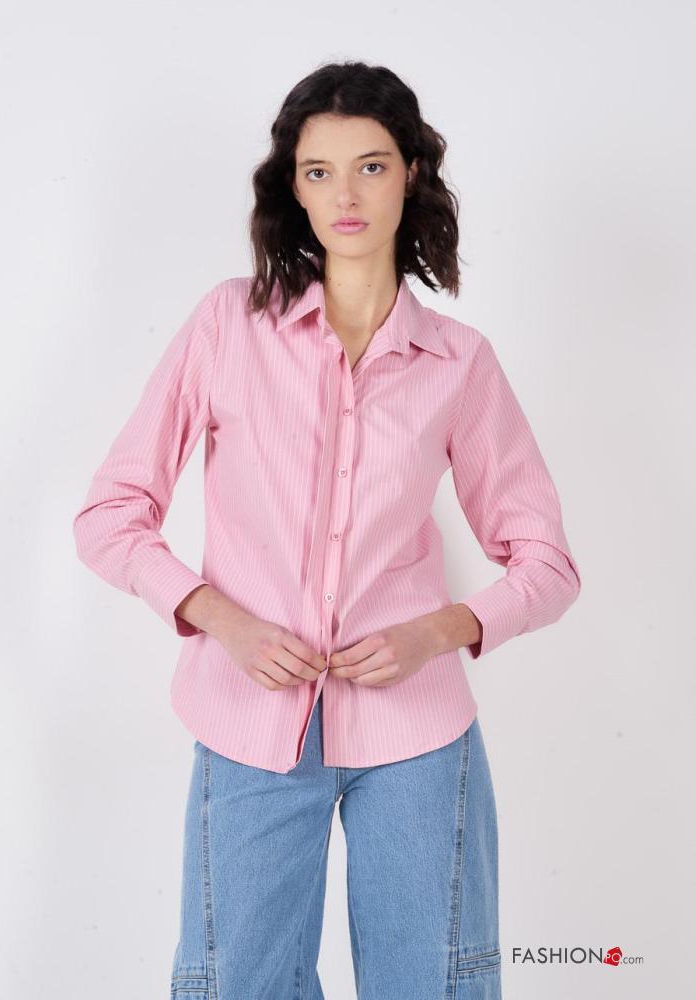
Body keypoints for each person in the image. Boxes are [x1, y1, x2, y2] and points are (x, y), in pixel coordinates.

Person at [72, 60, 581, 1000]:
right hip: (249, 725)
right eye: (319, 171)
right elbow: (111, 513)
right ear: (293, 187)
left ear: (411, 175)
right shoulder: (228, 326)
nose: (345, 195)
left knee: (433, 986)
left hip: (418, 735)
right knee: (239, 985)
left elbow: (546, 562)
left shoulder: (459, 363)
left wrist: (437, 631)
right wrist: (221, 618)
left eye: (371, 167)